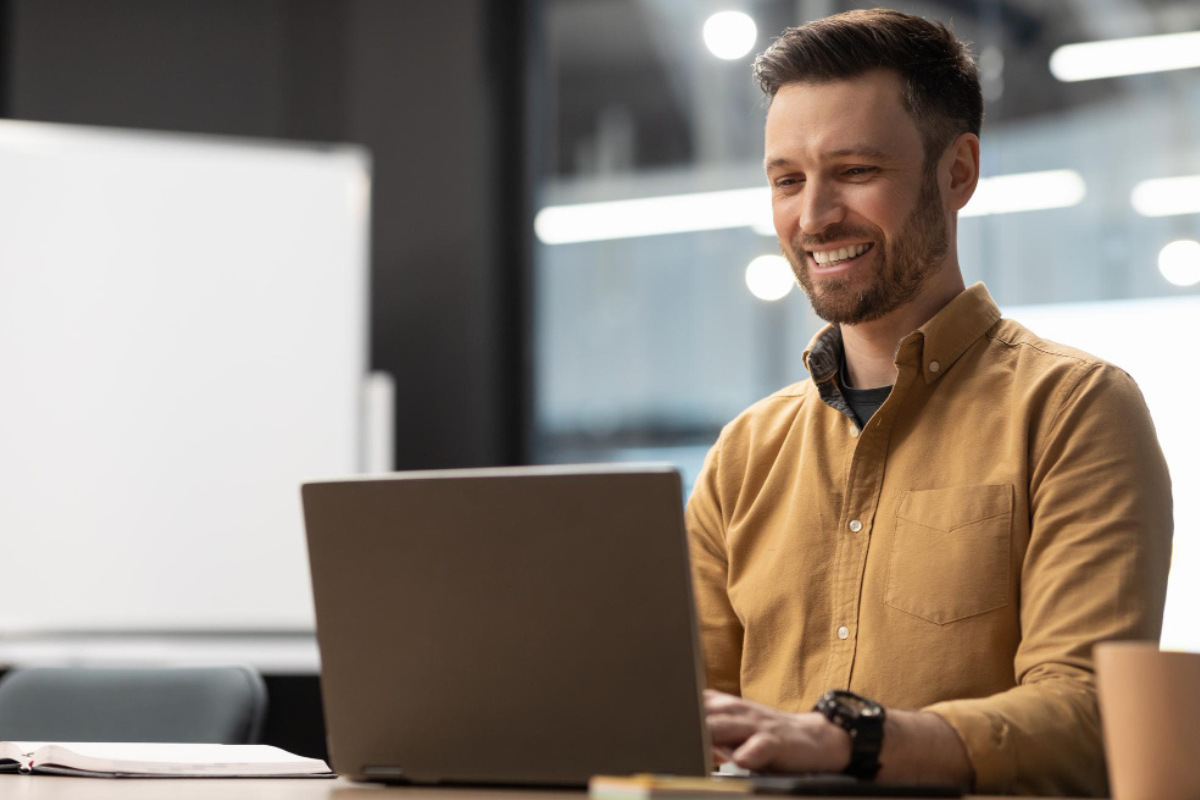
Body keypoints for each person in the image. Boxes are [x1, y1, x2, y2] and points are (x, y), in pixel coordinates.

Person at [684, 8, 1172, 797]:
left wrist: (847, 741)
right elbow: (671, 721)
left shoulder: (1076, 410)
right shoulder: (745, 453)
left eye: (855, 170)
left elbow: (1088, 714)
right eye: (787, 180)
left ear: (958, 172)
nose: (813, 217)